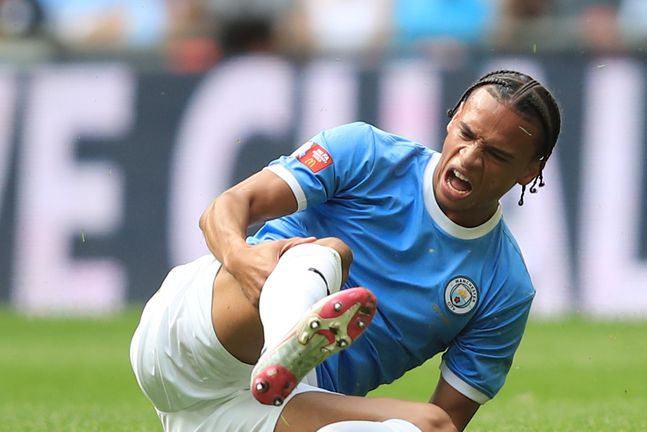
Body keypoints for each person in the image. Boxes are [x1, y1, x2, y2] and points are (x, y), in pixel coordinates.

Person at [129, 69, 562, 432]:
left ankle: (286, 370)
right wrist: (243, 261)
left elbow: (451, 414)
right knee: (327, 253)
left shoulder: (505, 287)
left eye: (497, 155)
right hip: (192, 338)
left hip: (273, 411)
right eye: (466, 134)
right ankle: (284, 345)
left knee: (433, 426)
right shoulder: (367, 154)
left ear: (530, 170)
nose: (468, 158)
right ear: (452, 119)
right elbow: (224, 209)